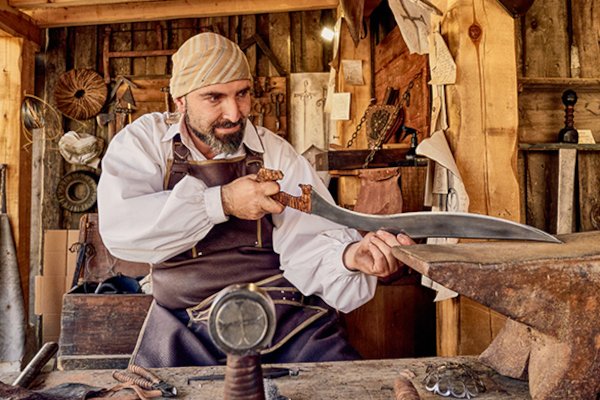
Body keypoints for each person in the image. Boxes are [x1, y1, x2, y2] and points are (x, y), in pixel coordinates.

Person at [97, 32, 414, 368]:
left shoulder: (274, 153)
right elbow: (123, 231)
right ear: (180, 100)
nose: (234, 114)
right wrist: (221, 202)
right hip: (186, 327)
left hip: (285, 318)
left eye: (242, 94)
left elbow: (310, 238)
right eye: (214, 97)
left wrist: (350, 256)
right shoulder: (145, 143)